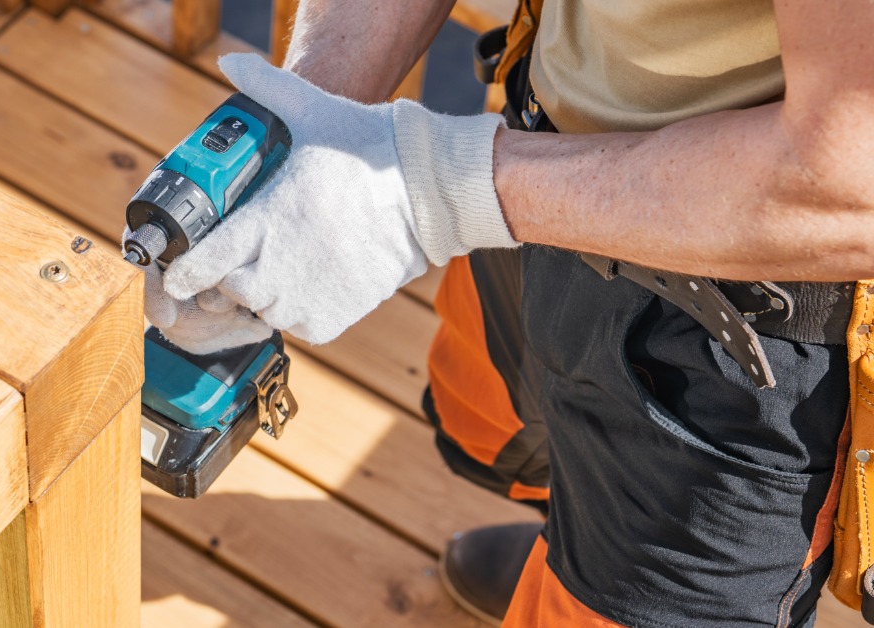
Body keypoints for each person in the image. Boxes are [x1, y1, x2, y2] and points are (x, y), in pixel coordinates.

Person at [135, 0, 873, 624]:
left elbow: (850, 185)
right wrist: (301, 128)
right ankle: (565, 549)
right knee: (502, 422)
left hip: (746, 330)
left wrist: (435, 189)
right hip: (534, 164)